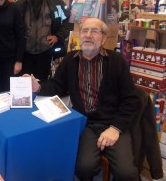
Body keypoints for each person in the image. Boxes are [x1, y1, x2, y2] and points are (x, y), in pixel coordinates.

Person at [28, 18, 141, 181]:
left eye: (94, 31)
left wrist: (115, 128)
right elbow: (57, 86)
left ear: (103, 38)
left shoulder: (116, 61)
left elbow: (131, 99)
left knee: (127, 173)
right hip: (86, 124)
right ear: (79, 35)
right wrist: (38, 87)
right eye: (84, 31)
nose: (88, 35)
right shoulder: (70, 59)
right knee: (83, 168)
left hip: (113, 123)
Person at [16, 0, 73, 81]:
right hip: (25, 54)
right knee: (24, 84)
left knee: (42, 84)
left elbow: (68, 22)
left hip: (46, 53)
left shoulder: (57, 3)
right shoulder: (19, 5)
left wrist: (58, 36)